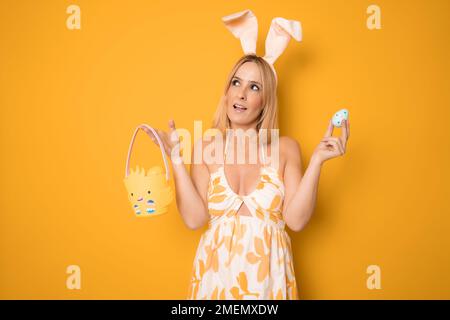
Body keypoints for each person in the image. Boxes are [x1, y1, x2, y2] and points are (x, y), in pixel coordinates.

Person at [144, 9, 350, 300]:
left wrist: (317, 161)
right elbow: (193, 219)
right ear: (226, 91)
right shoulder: (205, 147)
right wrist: (176, 160)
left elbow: (296, 220)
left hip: (269, 284)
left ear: (265, 102)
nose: (241, 94)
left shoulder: (286, 149)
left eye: (254, 87)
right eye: (236, 82)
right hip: (214, 283)